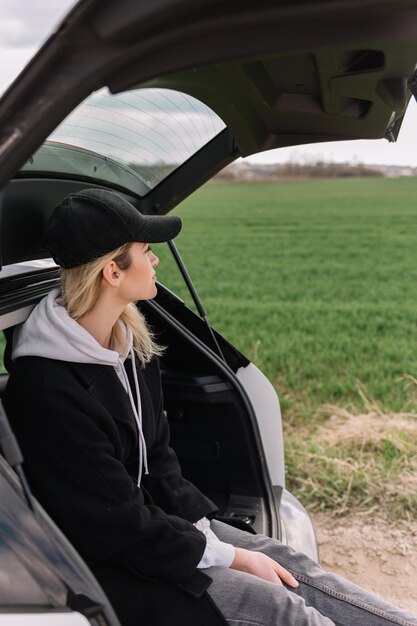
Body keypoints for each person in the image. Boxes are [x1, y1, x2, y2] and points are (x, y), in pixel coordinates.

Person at [3, 188, 417, 626]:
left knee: (292, 567)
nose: (155, 260)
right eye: (146, 251)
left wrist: (210, 533)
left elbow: (159, 462)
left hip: (154, 533)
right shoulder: (48, 390)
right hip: (103, 567)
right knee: (282, 609)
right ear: (112, 272)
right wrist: (223, 555)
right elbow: (115, 527)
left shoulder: (130, 345)